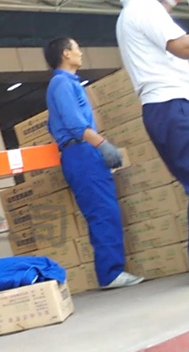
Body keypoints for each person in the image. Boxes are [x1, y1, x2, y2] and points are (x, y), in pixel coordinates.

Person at [43, 36, 145, 289]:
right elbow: (75, 124)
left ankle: (111, 270)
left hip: (82, 152)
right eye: (77, 48)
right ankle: (110, 273)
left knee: (103, 209)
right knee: (103, 211)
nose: (80, 52)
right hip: (81, 153)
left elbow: (56, 124)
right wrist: (102, 144)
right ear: (66, 53)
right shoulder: (61, 84)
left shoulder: (66, 83)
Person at [116, 0, 189, 283]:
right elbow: (182, 47)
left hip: (164, 108)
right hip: (174, 104)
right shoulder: (144, 9)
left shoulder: (131, 14)